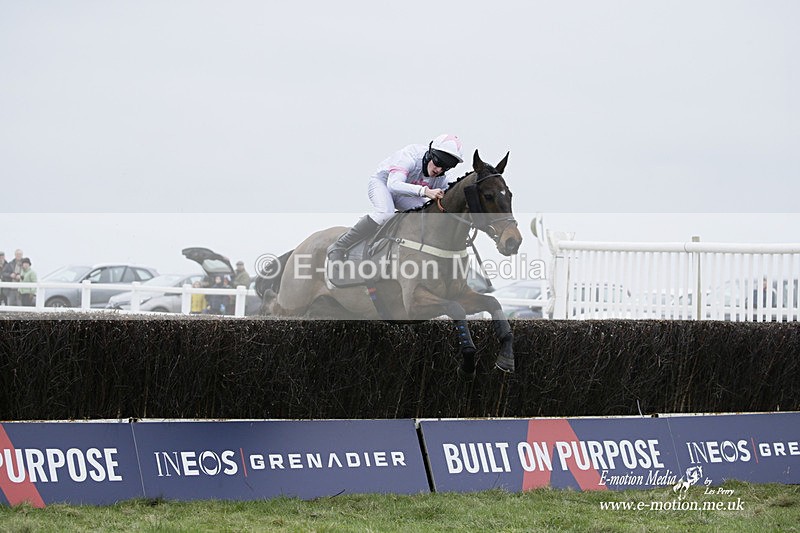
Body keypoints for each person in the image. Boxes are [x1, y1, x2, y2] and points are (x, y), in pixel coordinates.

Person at [327, 133, 464, 262]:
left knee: (424, 217)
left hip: (406, 192)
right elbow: (393, 185)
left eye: (446, 167)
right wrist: (425, 191)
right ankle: (340, 245)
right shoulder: (409, 156)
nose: (439, 170)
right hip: (383, 184)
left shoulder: (442, 176)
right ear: (430, 154)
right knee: (386, 213)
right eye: (439, 163)